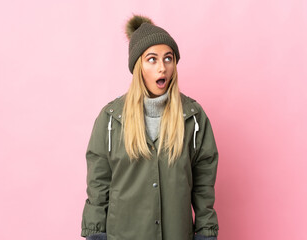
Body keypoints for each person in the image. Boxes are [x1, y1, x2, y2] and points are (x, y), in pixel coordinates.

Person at [81, 15, 219, 240]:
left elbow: (204, 183)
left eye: (168, 58)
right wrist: (96, 233)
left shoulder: (193, 118)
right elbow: (98, 184)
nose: (162, 68)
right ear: (138, 66)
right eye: (152, 59)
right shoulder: (110, 119)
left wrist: (205, 231)